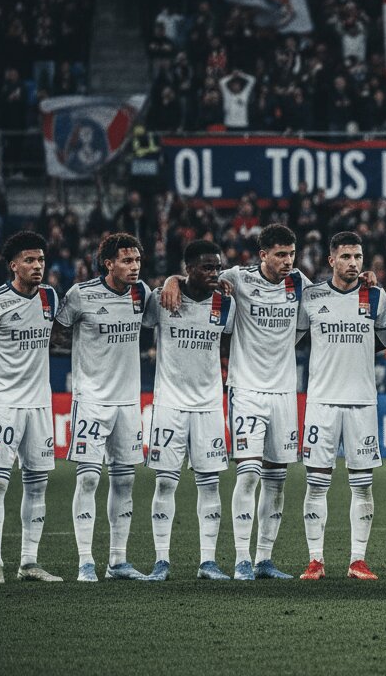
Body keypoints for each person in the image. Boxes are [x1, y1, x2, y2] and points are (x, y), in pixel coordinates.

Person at [162, 223, 309, 581]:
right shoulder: (238, 278)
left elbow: (321, 306)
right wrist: (170, 280)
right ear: (263, 255)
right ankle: (242, 558)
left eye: (291, 254)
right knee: (249, 473)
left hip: (284, 392)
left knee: (277, 479)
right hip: (246, 390)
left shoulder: (298, 282)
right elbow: (196, 278)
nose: (288, 261)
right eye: (280, 255)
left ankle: (264, 559)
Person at [52, 233, 152, 582]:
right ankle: (85, 561)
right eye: (127, 261)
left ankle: (118, 561)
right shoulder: (81, 294)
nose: (134, 267)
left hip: (128, 402)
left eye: (137, 260)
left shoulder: (142, 293)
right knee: (89, 477)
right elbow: (56, 333)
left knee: (125, 480)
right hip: (91, 400)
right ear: (108, 263)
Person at [0, 231, 62, 583]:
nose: (37, 266)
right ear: (13, 266)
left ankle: (29, 563)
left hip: (40, 405)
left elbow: (59, 334)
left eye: (41, 260)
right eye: (29, 260)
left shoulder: (50, 297)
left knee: (37, 485)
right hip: (4, 403)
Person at [295, 233, 386, 581]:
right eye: (347, 256)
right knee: (316, 483)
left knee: (362, 484)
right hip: (321, 402)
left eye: (358, 257)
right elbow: (291, 338)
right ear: (331, 260)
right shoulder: (311, 296)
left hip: (362, 402)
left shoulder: (376, 296)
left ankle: (357, 561)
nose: (353, 262)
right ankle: (315, 561)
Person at [142, 240, 235, 581]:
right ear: (189, 269)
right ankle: (161, 561)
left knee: (209, 485)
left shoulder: (225, 304)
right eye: (207, 267)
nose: (214, 273)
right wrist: (171, 281)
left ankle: (208, 561)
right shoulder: (163, 298)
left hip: (209, 406)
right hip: (169, 405)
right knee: (166, 483)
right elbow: (144, 319)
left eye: (217, 267)